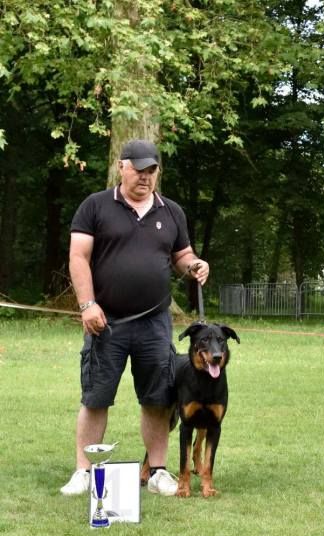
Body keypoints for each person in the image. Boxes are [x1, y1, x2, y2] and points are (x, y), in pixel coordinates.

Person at [60, 139, 209, 497]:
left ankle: (157, 471)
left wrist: (194, 265)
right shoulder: (95, 206)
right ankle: (84, 470)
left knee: (157, 398)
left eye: (151, 170)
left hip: (155, 322)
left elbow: (182, 255)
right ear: (121, 167)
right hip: (105, 321)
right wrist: (87, 305)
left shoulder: (171, 211)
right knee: (96, 396)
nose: (145, 176)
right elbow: (78, 257)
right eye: (138, 169)